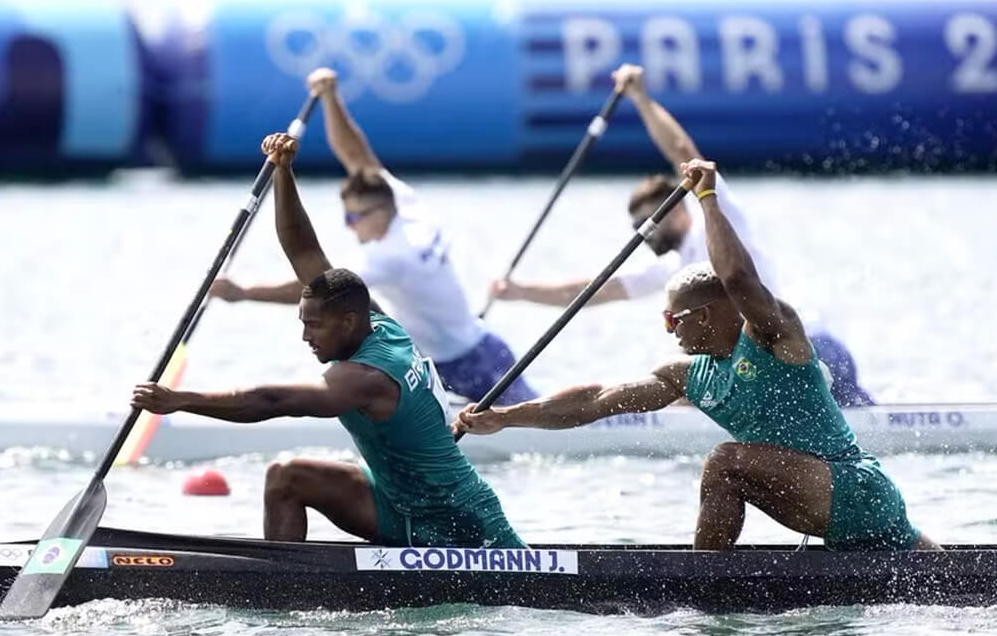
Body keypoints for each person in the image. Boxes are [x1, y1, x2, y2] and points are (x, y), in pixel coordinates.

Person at [457, 159, 938, 552]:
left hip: (853, 488)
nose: (667, 328)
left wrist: (707, 199)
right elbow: (596, 400)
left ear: (706, 316)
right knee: (938, 572)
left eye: (672, 319)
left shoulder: (774, 336)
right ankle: (711, 576)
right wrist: (505, 417)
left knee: (724, 462)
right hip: (825, 502)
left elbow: (739, 281)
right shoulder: (690, 376)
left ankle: (704, 586)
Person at [133, 132, 525, 549]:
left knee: (287, 472)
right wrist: (283, 173)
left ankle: (290, 583)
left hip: (458, 523)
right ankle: (284, 589)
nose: (305, 336)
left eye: (315, 326)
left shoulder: (367, 377)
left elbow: (271, 402)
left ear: (348, 322)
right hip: (398, 500)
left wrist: (180, 400)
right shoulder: (380, 323)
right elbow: (304, 251)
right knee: (286, 476)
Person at [490, 64, 873, 408]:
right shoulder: (674, 270)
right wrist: (520, 291)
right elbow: (595, 290)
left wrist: (640, 98)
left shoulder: (719, 213)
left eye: (649, 220)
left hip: (811, 351)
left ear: (675, 209)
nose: (643, 233)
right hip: (772, 365)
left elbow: (681, 149)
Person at [210, 68, 536, 406]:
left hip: (465, 367)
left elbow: (320, 287)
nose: (351, 226)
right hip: (469, 351)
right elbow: (355, 154)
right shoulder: (404, 201)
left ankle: (595, 425)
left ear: (378, 212)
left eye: (355, 217)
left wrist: (244, 292)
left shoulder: (391, 256)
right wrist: (330, 97)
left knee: (540, 428)